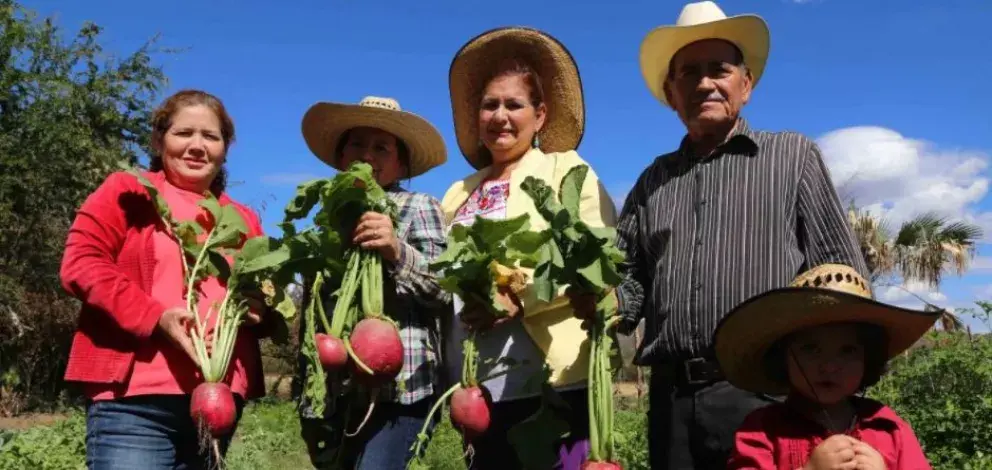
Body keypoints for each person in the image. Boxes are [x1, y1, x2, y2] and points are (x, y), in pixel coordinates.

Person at [567, 1, 870, 468]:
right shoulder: (653, 181)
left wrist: (835, 390)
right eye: (689, 73)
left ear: (745, 85)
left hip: (769, 395)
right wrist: (604, 300)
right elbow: (629, 279)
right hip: (672, 399)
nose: (704, 83)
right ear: (671, 93)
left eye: (719, 69)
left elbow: (840, 272)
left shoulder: (791, 158)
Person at [60, 89, 274, 469]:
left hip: (216, 401)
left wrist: (260, 310)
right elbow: (81, 263)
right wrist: (154, 317)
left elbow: (259, 294)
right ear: (159, 140)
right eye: (183, 133)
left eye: (210, 136)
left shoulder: (242, 218)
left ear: (225, 148)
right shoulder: (128, 190)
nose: (196, 146)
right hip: (134, 401)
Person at [440, 26, 617, 470]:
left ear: (539, 116)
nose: (500, 116)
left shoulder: (566, 170)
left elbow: (596, 261)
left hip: (558, 383)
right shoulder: (457, 192)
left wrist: (522, 297)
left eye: (513, 105)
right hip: (480, 389)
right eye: (489, 105)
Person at [296, 95, 450, 469]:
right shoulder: (329, 218)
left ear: (400, 163)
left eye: (382, 147)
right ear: (341, 156)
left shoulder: (419, 206)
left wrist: (397, 250)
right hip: (336, 392)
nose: (368, 155)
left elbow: (444, 290)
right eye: (357, 144)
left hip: (401, 390)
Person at [713, 263, 935, 469]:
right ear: (783, 357)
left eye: (847, 350)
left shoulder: (890, 428)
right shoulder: (762, 430)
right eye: (811, 349)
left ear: (869, 358)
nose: (829, 366)